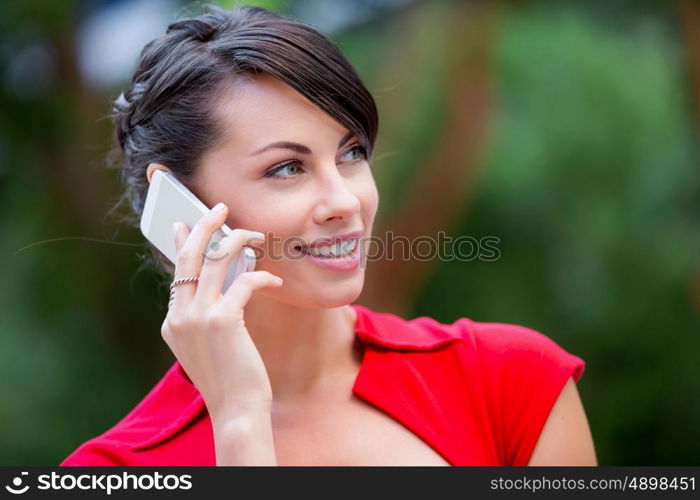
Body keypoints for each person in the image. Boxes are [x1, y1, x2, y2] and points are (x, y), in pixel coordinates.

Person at [60, 4, 596, 466]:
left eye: (352, 152)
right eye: (287, 168)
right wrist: (241, 425)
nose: (345, 201)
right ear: (180, 201)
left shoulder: (512, 381)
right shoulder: (115, 468)